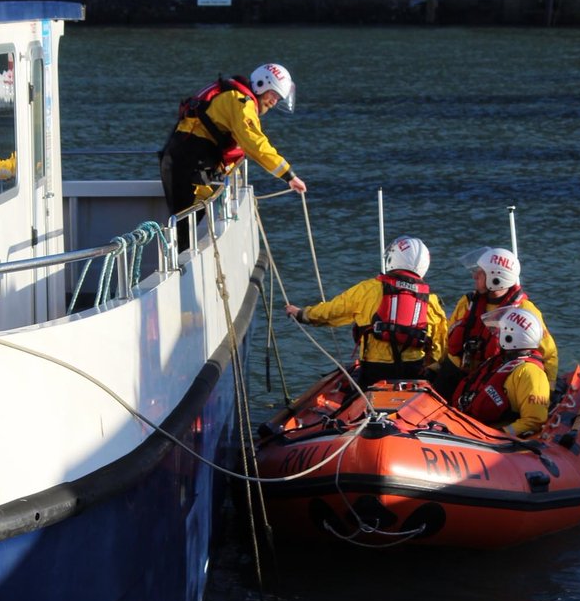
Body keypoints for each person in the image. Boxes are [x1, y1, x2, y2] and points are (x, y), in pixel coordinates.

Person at [159, 63, 306, 250]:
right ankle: (177, 268)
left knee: (185, 220)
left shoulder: (232, 95)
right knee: (183, 223)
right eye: (274, 95)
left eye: (278, 98)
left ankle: (178, 260)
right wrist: (289, 175)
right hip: (189, 162)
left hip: (184, 158)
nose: (274, 102)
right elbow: (255, 143)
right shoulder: (241, 102)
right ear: (262, 85)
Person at [284, 236, 448, 387]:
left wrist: (302, 314)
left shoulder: (367, 290)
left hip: (373, 373)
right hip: (412, 374)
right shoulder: (431, 302)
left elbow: (331, 311)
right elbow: (439, 349)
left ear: (392, 259)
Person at [432, 246, 558, 399]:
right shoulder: (468, 302)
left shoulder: (525, 311)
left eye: (480, 273)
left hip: (490, 377)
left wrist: (549, 388)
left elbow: (548, 353)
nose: (474, 277)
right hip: (456, 370)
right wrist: (437, 365)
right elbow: (449, 339)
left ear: (496, 278)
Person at [452, 307, 551, 437]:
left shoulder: (530, 373)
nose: (496, 335)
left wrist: (499, 434)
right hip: (469, 425)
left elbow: (534, 421)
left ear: (511, 337)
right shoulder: (501, 361)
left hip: (488, 436)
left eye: (500, 332)